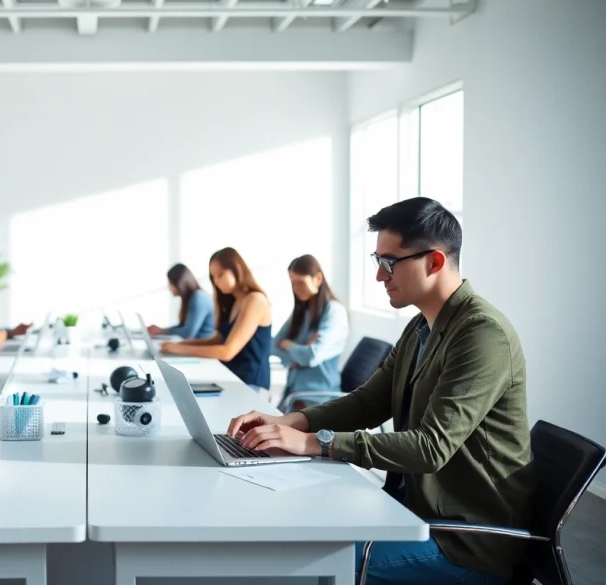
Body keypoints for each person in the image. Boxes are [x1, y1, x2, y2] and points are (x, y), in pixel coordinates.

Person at [227, 197, 531, 585]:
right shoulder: (422, 326)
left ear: (434, 262)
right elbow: (370, 401)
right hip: (410, 512)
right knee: (296, 526)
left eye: (389, 263)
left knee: (306, 560)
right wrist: (287, 421)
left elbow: (430, 448)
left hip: (461, 542)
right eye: (378, 262)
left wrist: (314, 442)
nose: (379, 276)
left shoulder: (482, 335)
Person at [160, 247, 273, 390]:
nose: (217, 281)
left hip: (251, 384)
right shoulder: (232, 301)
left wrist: (180, 349)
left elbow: (227, 351)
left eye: (220, 275)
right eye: (213, 277)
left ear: (237, 269)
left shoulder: (255, 300)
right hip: (229, 377)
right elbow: (219, 339)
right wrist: (181, 344)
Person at [272, 254, 349, 411]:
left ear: (318, 278)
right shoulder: (302, 312)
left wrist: (288, 345)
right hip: (294, 393)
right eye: (292, 283)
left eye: (301, 282)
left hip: (317, 399)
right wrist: (299, 352)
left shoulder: (334, 312)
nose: (295, 289)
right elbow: (274, 345)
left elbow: (311, 356)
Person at [146, 263, 216, 340]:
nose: (169, 287)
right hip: (194, 346)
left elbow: (187, 334)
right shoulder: (193, 298)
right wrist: (160, 331)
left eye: (170, 283)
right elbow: (183, 327)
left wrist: (162, 331)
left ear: (179, 283)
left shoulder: (198, 298)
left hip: (202, 348)